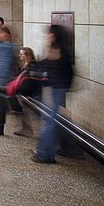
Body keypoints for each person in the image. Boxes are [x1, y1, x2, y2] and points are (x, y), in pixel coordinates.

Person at [32, 25, 74, 164]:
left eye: (49, 34)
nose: (46, 36)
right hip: (53, 89)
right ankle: (48, 153)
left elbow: (65, 73)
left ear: (54, 35)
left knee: (50, 122)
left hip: (55, 90)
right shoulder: (55, 49)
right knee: (50, 121)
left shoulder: (59, 51)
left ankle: (44, 154)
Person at [0, 45, 37, 136]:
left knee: (3, 97)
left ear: (27, 55)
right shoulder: (26, 66)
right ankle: (1, 126)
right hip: (20, 90)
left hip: (24, 91)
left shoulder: (30, 67)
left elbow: (24, 84)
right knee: (3, 96)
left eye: (22, 54)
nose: (20, 56)